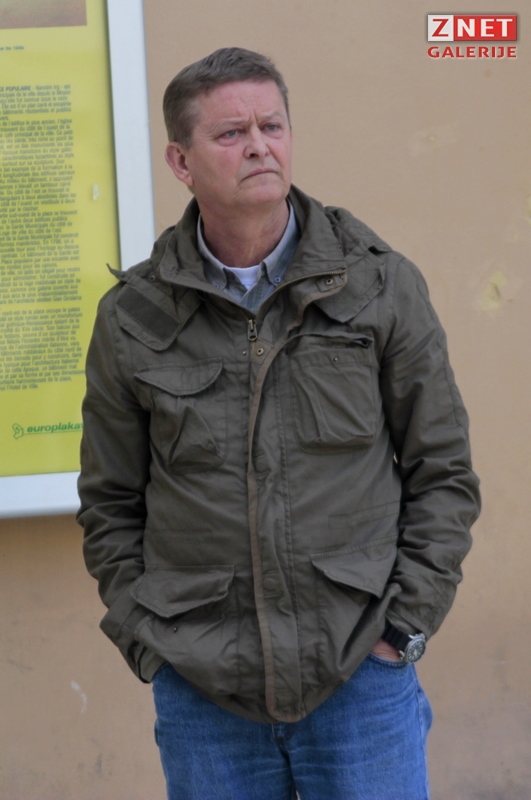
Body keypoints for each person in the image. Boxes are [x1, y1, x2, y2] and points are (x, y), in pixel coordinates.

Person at [77, 47, 481, 800]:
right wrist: (151, 641)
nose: (259, 146)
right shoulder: (133, 317)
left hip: (360, 675)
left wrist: (402, 630)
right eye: (231, 133)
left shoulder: (378, 285)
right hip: (204, 687)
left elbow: (444, 473)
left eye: (272, 126)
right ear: (180, 161)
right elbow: (109, 501)